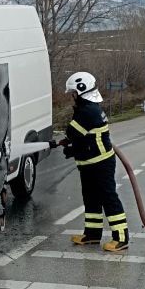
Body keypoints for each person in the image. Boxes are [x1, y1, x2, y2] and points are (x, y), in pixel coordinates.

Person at [59, 71, 129, 253]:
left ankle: (121, 238)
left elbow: (73, 133)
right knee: (90, 199)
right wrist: (71, 147)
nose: (72, 97)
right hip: (89, 163)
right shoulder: (87, 109)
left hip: (100, 164)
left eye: (73, 93)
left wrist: (70, 148)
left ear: (81, 91)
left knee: (108, 198)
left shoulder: (88, 111)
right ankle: (92, 235)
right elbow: (83, 138)